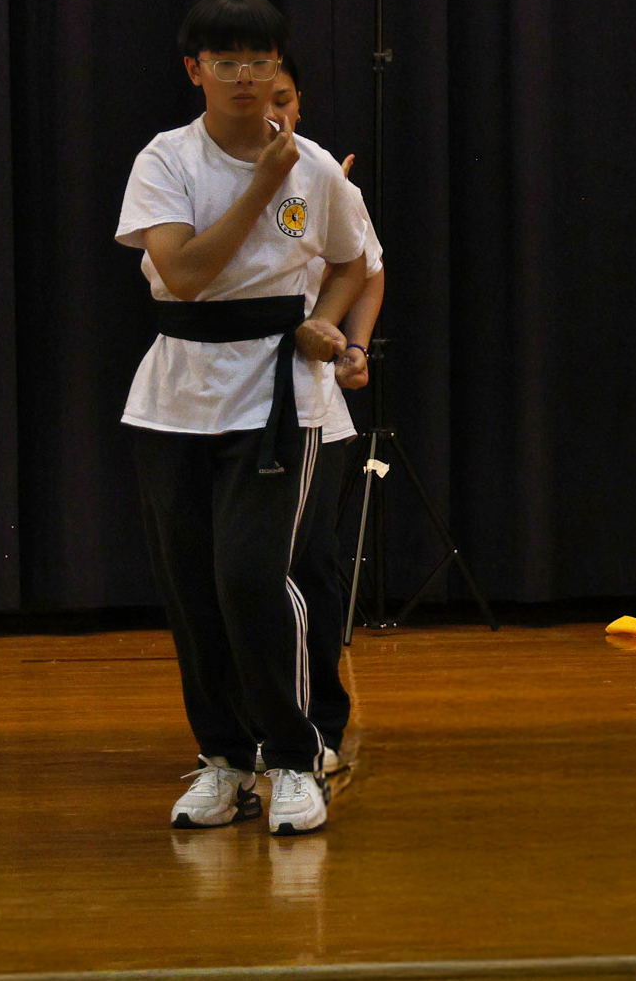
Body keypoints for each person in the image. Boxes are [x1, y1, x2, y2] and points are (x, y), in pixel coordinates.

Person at [116, 0, 368, 836]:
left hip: (277, 398)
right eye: (227, 62)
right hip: (175, 397)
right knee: (191, 588)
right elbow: (183, 277)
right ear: (196, 71)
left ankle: (294, 759)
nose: (247, 78)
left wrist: (326, 321)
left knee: (252, 579)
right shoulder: (166, 159)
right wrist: (263, 184)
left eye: (261, 61)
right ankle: (224, 759)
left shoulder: (317, 168)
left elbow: (353, 261)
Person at [270, 54, 386, 773]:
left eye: (283, 98)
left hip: (314, 410)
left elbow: (367, 269)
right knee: (247, 573)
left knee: (311, 568)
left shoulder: (325, 178)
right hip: (231, 409)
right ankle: (250, 730)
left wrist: (354, 345)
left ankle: (319, 726)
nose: (271, 112)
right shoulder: (197, 171)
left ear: (300, 103)